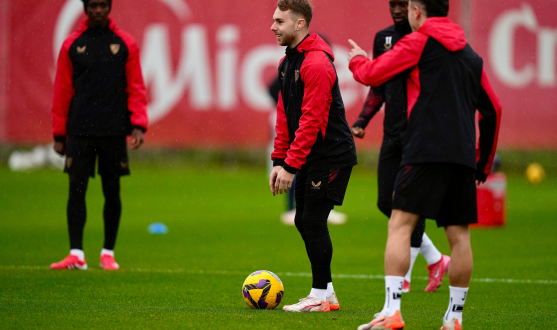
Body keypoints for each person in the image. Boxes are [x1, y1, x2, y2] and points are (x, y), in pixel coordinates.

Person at [348, 0, 501, 328]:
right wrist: (482, 164)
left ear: (417, 10)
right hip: (461, 156)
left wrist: (357, 59)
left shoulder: (417, 42)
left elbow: (372, 74)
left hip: (423, 152)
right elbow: (494, 110)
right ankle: (454, 318)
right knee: (459, 238)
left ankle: (391, 312)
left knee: (400, 226)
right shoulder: (471, 55)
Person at [351, 0, 449, 293]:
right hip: (393, 134)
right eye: (392, 4)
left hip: (418, 135)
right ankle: (436, 258)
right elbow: (378, 84)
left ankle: (404, 274)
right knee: (386, 202)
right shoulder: (384, 38)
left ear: (414, 7)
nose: (396, 9)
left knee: (409, 203)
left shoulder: (424, 41)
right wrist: (363, 119)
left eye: (402, 4)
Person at [269, 0, 358, 312]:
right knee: (302, 219)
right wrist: (280, 159)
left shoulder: (317, 64)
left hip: (331, 154)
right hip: (312, 154)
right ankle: (327, 292)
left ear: (299, 24)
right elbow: (285, 114)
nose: (273, 27)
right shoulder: (287, 63)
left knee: (312, 219)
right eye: (273, 20)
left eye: (280, 21)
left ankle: (320, 295)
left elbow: (312, 120)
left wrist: (291, 166)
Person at [50, 0, 148, 271]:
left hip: (113, 131)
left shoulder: (125, 43)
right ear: (84, 8)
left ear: (109, 7)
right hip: (79, 131)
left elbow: (135, 86)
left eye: (102, 5)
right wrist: (59, 132)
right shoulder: (72, 44)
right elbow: (62, 90)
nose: (97, 10)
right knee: (76, 190)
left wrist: (138, 124)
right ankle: (76, 254)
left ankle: (108, 253)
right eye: (92, 5)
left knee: (111, 191)